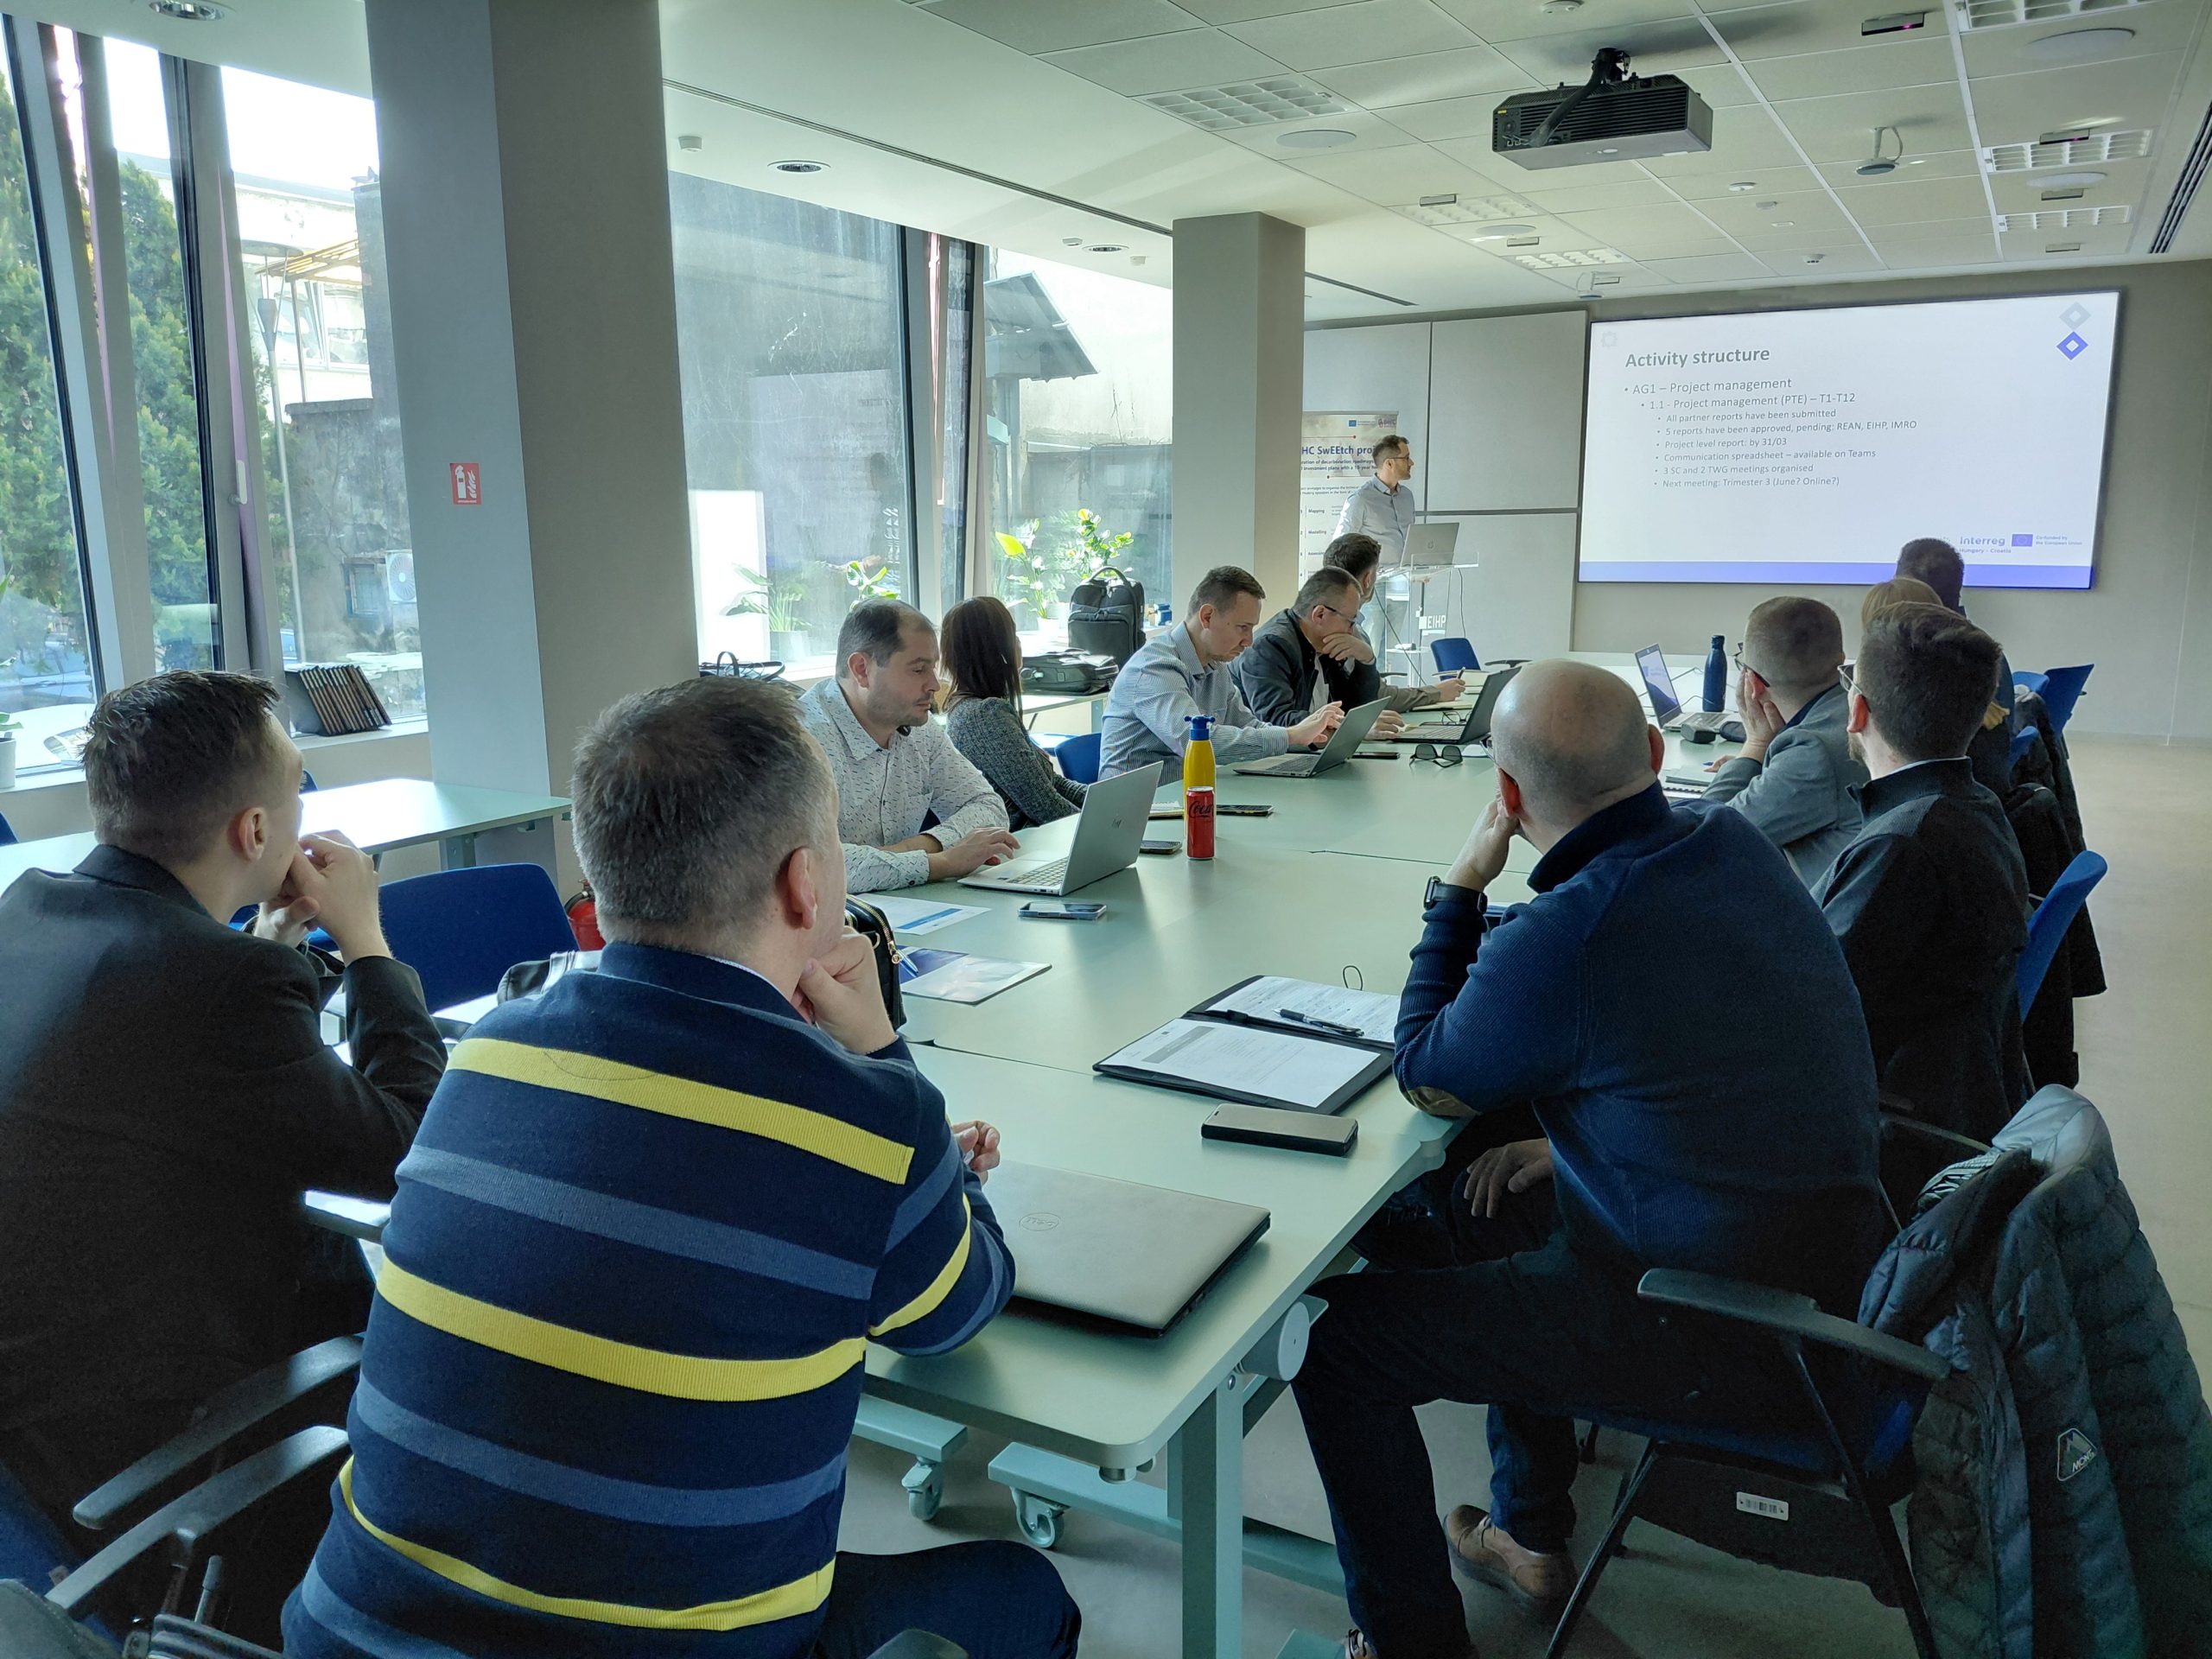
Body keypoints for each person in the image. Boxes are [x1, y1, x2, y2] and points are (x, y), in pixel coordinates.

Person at [284, 676, 1081, 1659]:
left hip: (355, 1633)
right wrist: (894, 1078)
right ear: (805, 883)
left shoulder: (487, 1055)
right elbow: (958, 1315)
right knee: (1024, 1594)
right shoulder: (872, 1116)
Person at [1292, 661, 1886, 1659]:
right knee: (1483, 1195)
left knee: (1333, 1344)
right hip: (1816, 1266)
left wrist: (1460, 890)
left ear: (1506, 792)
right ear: (1652, 752)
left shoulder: (1574, 931)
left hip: (1712, 1321)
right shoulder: (1726, 840)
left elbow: (1427, 1074)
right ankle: (1529, 1532)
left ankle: (1410, 1644)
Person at [0, 671, 444, 1537]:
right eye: (297, 795)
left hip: (32, 1408)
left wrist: (265, 948)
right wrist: (366, 945)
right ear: (255, 831)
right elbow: (410, 1154)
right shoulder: (218, 985)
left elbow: (177, 1070)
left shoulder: (28, 915)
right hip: (155, 1444)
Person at [1815, 604, 2033, 1139]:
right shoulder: (1974, 804)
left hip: (1893, 1126)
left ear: (1857, 710)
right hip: (1965, 1097)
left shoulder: (1900, 847)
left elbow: (1810, 1011)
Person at [798, 601, 1019, 892]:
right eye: (918, 670)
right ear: (862, 669)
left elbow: (988, 807)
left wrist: (918, 847)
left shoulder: (919, 729)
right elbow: (815, 867)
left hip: (906, 905)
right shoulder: (801, 743)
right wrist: (943, 862)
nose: (935, 684)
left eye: (933, 668)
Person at [1099, 565, 1344, 777]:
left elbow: (1250, 727)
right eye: (1242, 627)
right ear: (1207, 616)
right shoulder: (1155, 668)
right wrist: (1290, 736)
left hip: (1188, 800)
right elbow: (1197, 742)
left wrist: (1311, 736)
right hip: (1143, 808)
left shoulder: (1215, 667)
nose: (1249, 641)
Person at [1700, 596, 1866, 884]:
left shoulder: (1813, 752)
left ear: (1754, 683)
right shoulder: (1853, 709)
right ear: (1841, 660)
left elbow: (1702, 841)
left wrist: (1755, 746)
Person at [941, 594, 1086, 829]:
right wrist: (1099, 828)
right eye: (1013, 634)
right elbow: (1044, 805)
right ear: (998, 649)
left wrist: (1101, 799)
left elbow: (1050, 784)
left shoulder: (973, 710)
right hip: (1025, 842)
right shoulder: (986, 717)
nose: (1018, 643)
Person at [1231, 568, 1412, 732]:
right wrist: (1354, 727)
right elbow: (1277, 724)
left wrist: (1366, 659)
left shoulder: (1326, 645)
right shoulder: (1270, 647)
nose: (1351, 631)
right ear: (1320, 615)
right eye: (1351, 622)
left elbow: (1353, 706)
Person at [1321, 532, 1462, 704]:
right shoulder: (1350, 632)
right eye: (1378, 571)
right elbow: (1378, 696)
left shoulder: (1325, 622)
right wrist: (1435, 693)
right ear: (1368, 579)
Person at [1334, 435, 1418, 557]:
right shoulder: (1360, 499)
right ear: (1390, 463)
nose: (1411, 463)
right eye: (1406, 458)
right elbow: (1339, 549)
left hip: (1409, 569)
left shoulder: (1407, 496)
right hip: (1377, 570)